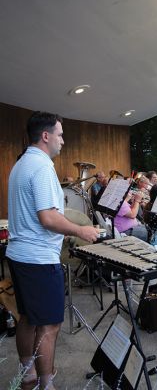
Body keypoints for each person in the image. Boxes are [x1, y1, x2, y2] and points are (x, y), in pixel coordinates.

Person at [6, 111, 99, 390]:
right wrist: (82, 230)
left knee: (27, 318)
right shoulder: (42, 166)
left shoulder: (21, 164)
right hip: (38, 260)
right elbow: (47, 217)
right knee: (49, 326)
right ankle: (46, 385)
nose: (63, 141)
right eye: (59, 134)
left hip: (18, 255)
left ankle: (29, 374)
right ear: (45, 136)